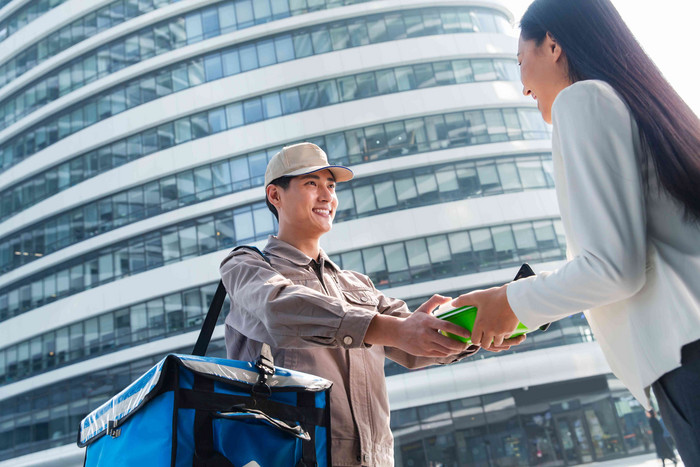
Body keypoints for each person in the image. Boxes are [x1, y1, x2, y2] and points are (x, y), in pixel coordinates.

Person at [448, 0, 700, 463]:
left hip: (688, 361)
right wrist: (522, 303)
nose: (523, 86)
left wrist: (508, 303)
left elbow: (612, 269)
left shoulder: (582, 99)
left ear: (553, 45)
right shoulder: (640, 104)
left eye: (520, 61)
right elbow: (631, 255)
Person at [219, 142, 524, 466]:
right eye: (311, 184)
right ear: (275, 195)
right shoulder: (245, 265)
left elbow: (413, 341)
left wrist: (483, 324)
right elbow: (277, 308)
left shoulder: (357, 284)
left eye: (331, 186)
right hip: (290, 458)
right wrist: (389, 328)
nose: (327, 196)